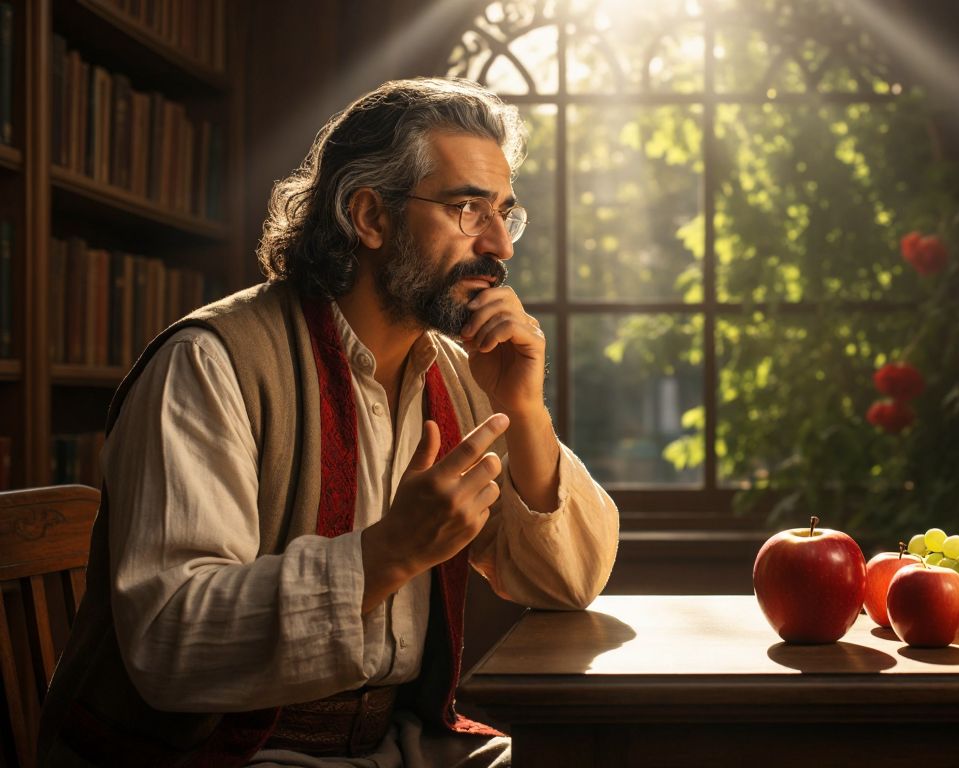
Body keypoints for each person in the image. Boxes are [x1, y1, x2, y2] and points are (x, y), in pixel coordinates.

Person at [38, 78, 619, 767]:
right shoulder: (208, 363)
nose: (500, 246)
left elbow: (569, 582)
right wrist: (388, 553)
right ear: (370, 217)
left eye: (504, 213)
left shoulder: (459, 374)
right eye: (467, 208)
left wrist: (523, 408)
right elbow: (170, 641)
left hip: (395, 746)